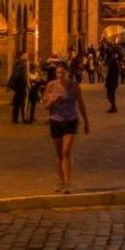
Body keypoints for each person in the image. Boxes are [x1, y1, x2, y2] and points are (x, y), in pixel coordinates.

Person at [43, 64, 89, 193]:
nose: (60, 75)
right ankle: (61, 180)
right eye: (58, 73)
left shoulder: (74, 87)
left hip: (71, 121)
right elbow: (45, 105)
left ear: (68, 73)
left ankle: (68, 183)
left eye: (62, 73)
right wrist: (54, 101)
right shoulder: (51, 86)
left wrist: (86, 122)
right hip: (56, 121)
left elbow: (81, 104)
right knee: (59, 155)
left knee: (66, 152)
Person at [7, 55, 30, 125]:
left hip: (17, 87)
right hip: (22, 86)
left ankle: (15, 119)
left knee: (16, 103)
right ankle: (24, 118)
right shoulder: (23, 66)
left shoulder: (16, 65)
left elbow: (14, 75)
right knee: (23, 103)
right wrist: (27, 84)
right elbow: (24, 77)